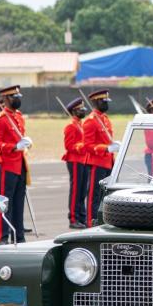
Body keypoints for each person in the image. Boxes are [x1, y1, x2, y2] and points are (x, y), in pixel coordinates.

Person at [0, 85, 31, 244]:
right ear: (6, 99)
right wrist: (14, 146)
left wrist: (25, 143)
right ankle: (2, 237)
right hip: (7, 165)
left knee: (19, 204)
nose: (18, 99)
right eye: (14, 96)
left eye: (18, 96)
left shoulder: (19, 116)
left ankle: (19, 236)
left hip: (20, 164)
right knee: (4, 203)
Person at [83, 89, 119, 226]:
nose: (106, 104)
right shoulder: (90, 121)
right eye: (104, 101)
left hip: (108, 162)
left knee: (106, 195)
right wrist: (106, 149)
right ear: (97, 102)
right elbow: (87, 146)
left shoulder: (105, 119)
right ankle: (90, 224)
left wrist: (113, 147)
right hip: (96, 163)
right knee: (94, 196)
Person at [63, 98, 88, 229]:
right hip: (74, 160)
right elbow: (69, 145)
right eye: (80, 109)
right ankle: (73, 218)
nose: (83, 111)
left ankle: (82, 216)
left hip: (84, 160)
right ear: (74, 111)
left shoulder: (82, 125)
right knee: (76, 190)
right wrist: (83, 146)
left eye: (84, 108)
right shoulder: (71, 126)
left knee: (83, 190)